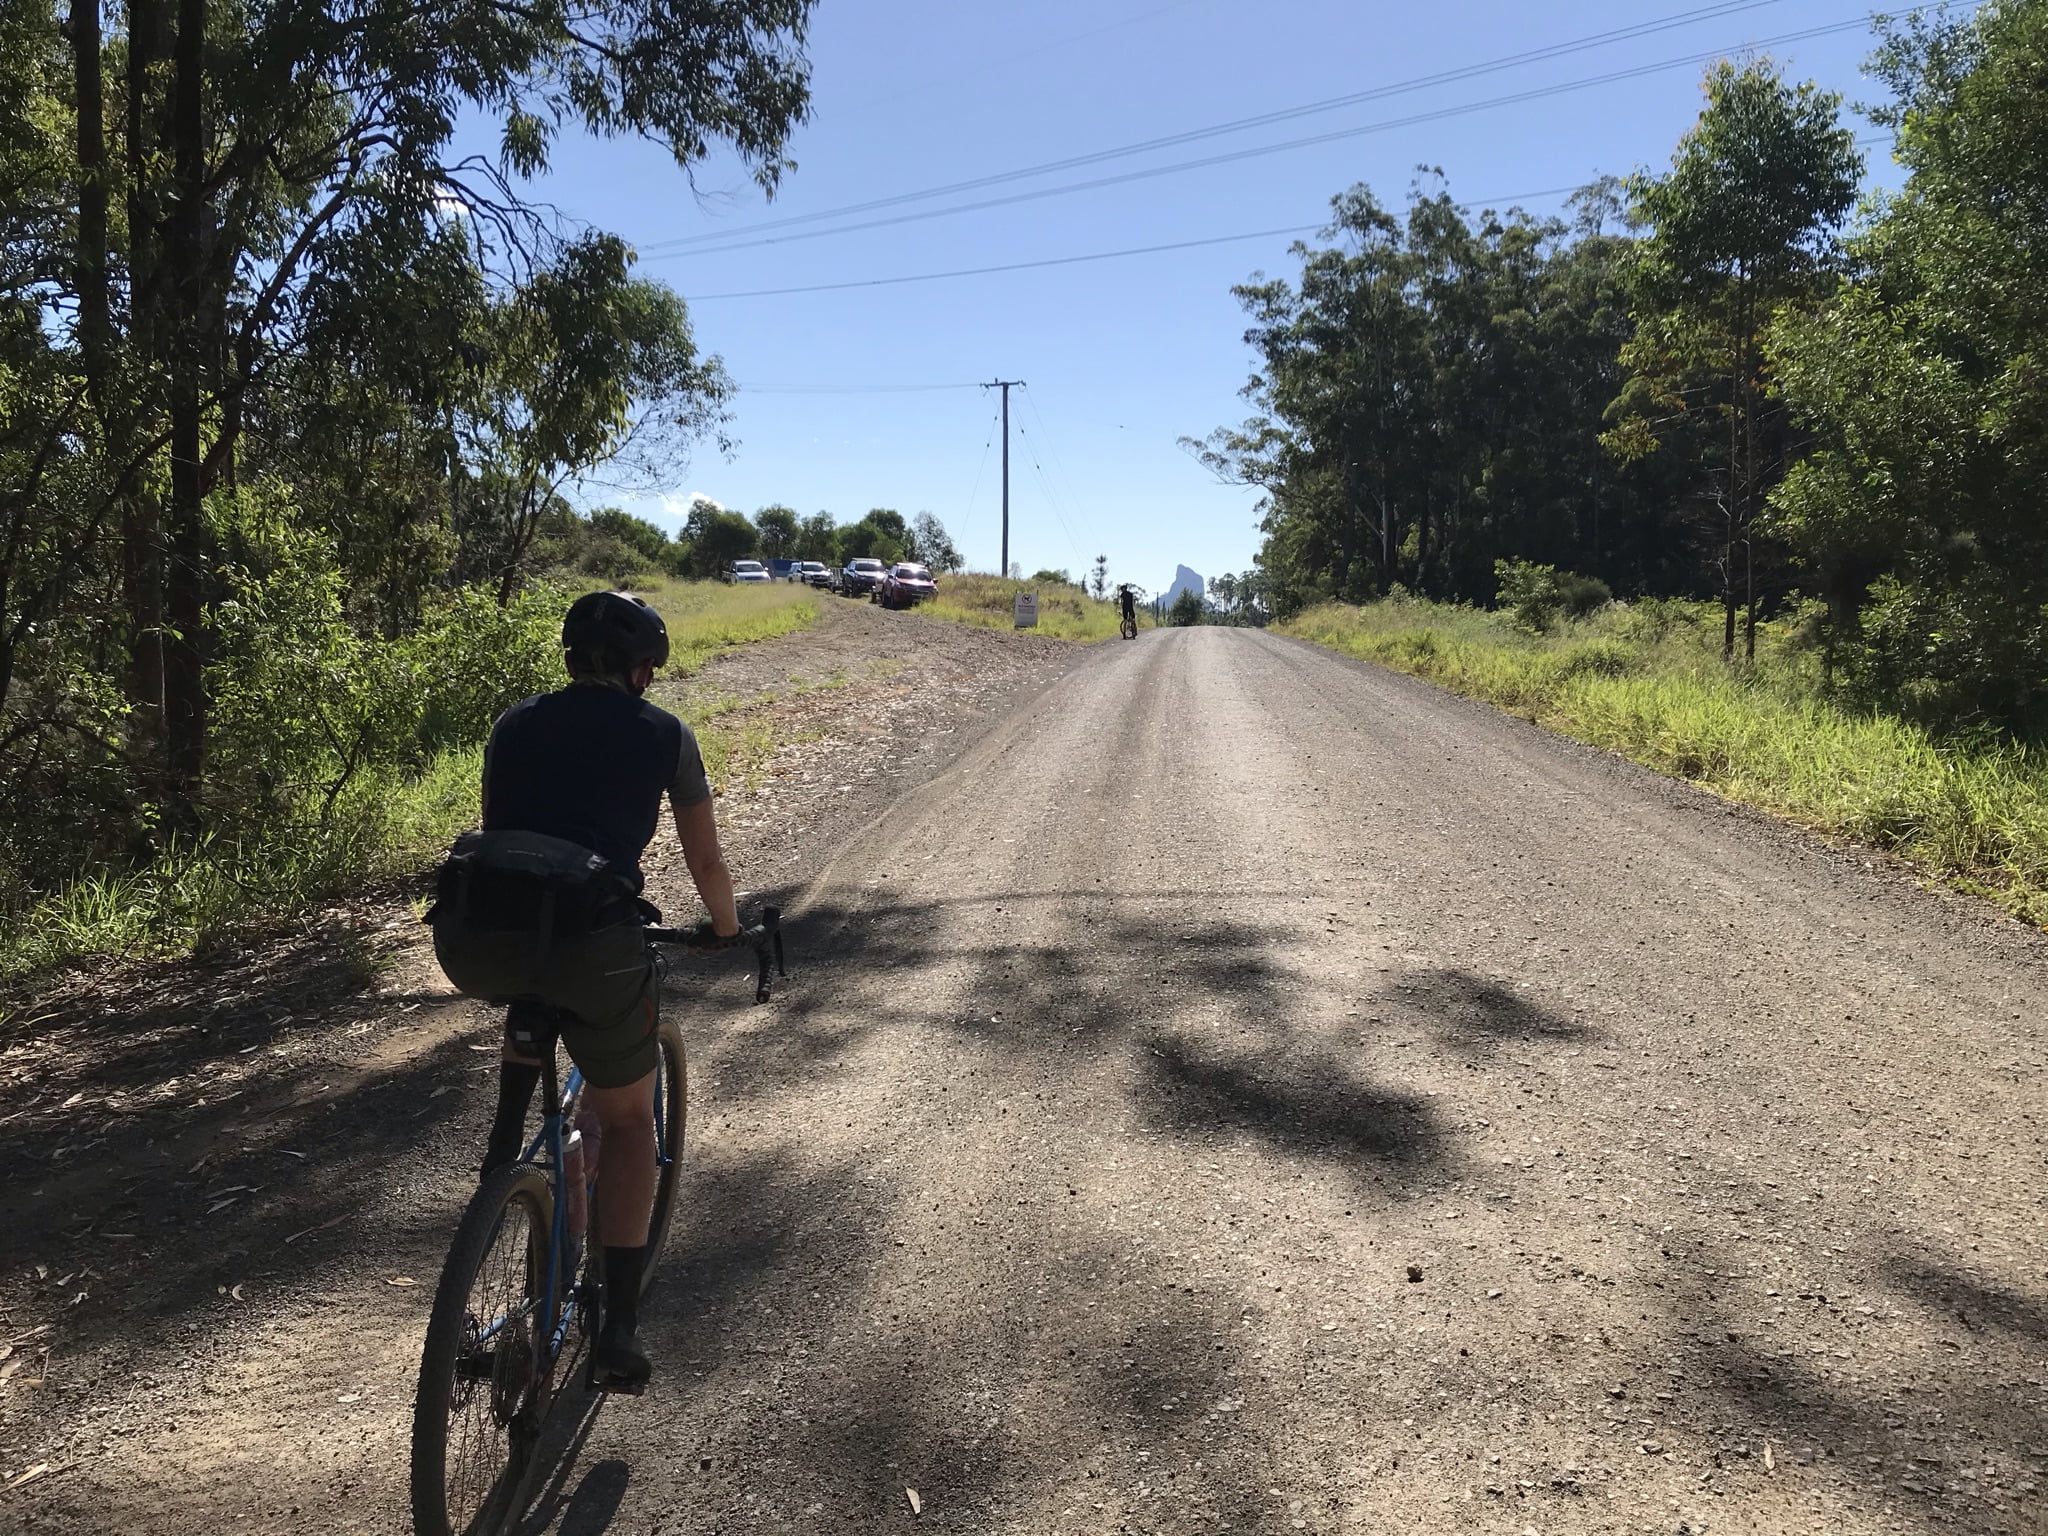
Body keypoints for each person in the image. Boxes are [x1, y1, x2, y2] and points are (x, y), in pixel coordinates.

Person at [431, 590, 739, 1392]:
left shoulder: (514, 724)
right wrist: (727, 929)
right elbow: (705, 864)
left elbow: (508, 834)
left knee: (533, 990)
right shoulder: (666, 734)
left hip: (476, 934)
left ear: (570, 658)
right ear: (643, 670)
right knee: (633, 1123)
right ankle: (620, 1329)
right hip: (595, 943)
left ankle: (503, 1166)